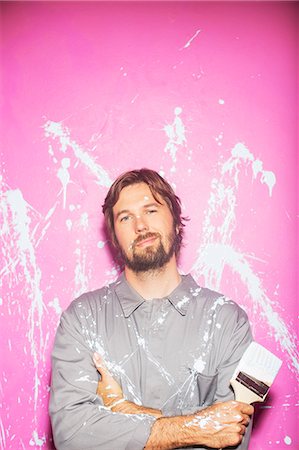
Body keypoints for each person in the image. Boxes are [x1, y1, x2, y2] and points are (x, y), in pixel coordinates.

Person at [49, 168, 254, 450]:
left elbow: (230, 438)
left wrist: (125, 411)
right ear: (114, 237)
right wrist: (198, 427)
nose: (140, 225)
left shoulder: (228, 320)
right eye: (125, 217)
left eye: (151, 210)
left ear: (177, 222)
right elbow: (71, 436)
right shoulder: (82, 319)